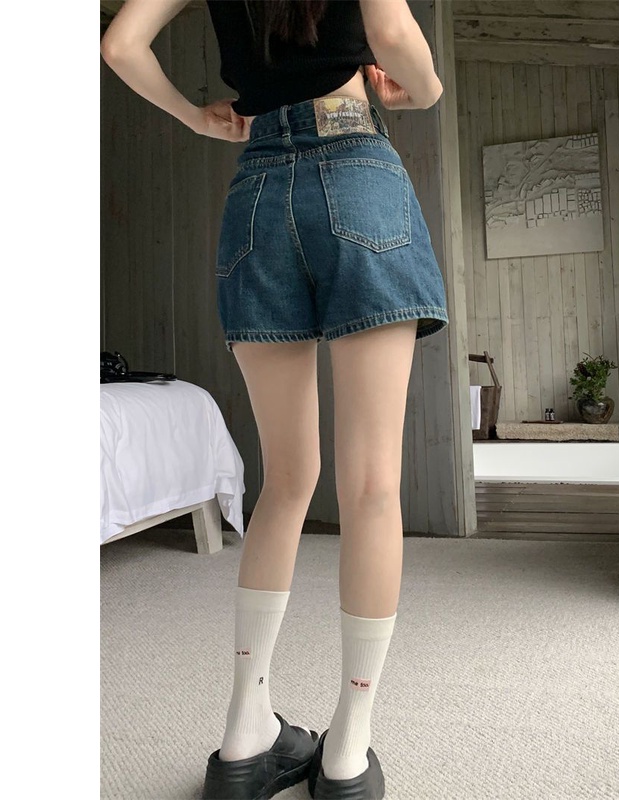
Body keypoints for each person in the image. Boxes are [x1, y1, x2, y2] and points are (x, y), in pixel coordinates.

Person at [100, 1, 448, 798]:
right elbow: (395, 34)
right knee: (372, 486)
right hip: (357, 167)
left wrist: (194, 115)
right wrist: (426, 89)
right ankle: (346, 754)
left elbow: (121, 45)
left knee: (286, 481)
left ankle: (243, 736)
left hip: (257, 190)